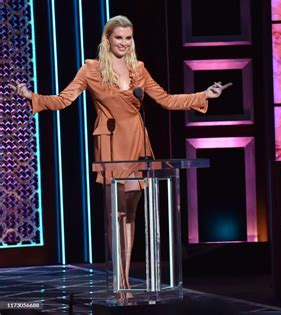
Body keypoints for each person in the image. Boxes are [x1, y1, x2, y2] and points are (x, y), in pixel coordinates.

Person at [9, 15, 231, 299]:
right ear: (107, 39)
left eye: (128, 38)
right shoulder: (91, 69)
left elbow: (166, 99)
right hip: (111, 144)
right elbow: (64, 100)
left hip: (137, 142)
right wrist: (32, 95)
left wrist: (205, 94)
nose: (124, 43)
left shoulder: (138, 69)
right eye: (119, 38)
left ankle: (125, 280)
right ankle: (120, 282)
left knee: (131, 214)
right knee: (117, 214)